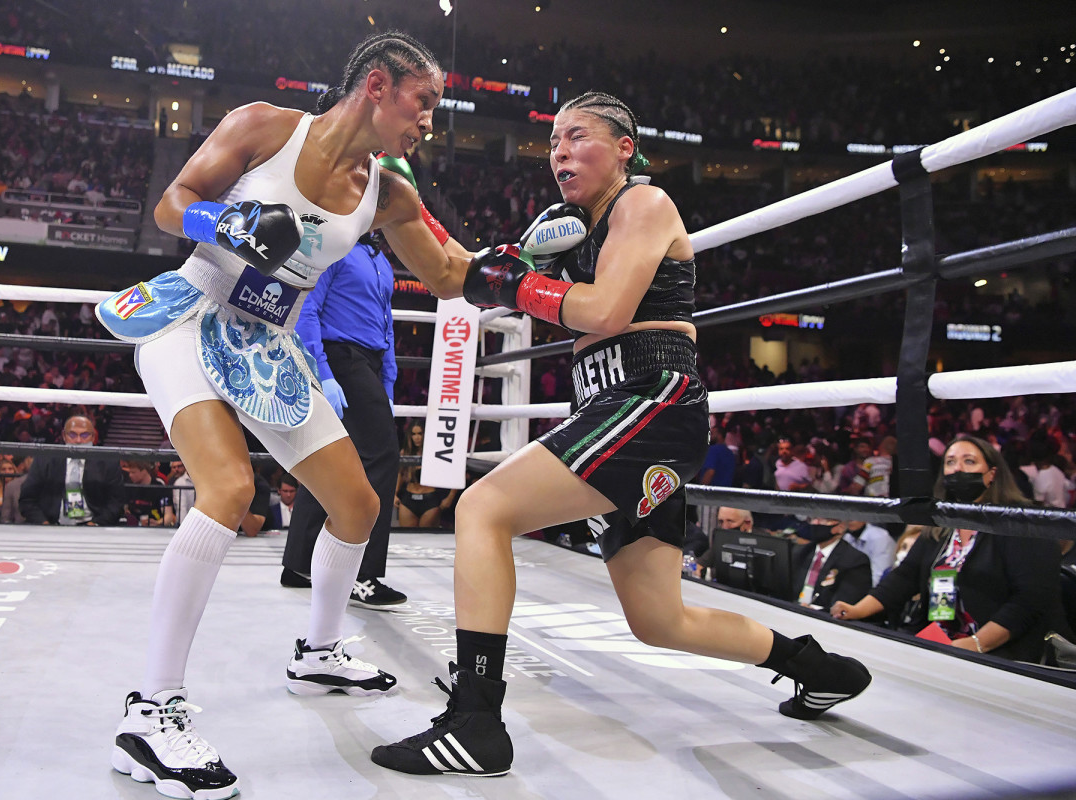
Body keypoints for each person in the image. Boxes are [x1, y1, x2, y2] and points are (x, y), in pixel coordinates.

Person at [372, 91, 871, 778]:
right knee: (659, 619)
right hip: (613, 409)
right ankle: (817, 666)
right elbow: (458, 271)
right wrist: (396, 192)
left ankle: (477, 719)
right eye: (552, 143)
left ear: (624, 148)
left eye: (577, 137)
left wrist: (519, 287)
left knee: (483, 508)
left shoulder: (645, 205)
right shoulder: (565, 229)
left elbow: (605, 310)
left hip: (651, 397)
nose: (560, 153)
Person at [95, 31, 468, 798]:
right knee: (227, 491)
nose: (431, 119)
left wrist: (534, 266)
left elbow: (447, 272)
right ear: (376, 85)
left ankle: (319, 652)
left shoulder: (389, 191)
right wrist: (225, 225)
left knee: (358, 504)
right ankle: (152, 710)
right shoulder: (265, 125)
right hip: (190, 317)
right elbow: (174, 204)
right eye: (423, 101)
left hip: (267, 342)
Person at [831, 435, 1069, 662]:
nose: (958, 469)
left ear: (991, 474)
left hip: (1005, 652)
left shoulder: (1020, 523)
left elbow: (1030, 600)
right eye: (950, 462)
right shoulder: (942, 523)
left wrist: (977, 643)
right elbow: (905, 576)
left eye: (969, 461)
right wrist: (857, 610)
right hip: (942, 643)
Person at [282, 233, 406, 609]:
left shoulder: (380, 260)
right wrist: (323, 371)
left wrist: (387, 382)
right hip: (340, 357)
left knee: (334, 458)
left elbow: (386, 325)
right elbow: (307, 308)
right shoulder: (334, 249)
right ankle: (362, 575)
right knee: (381, 456)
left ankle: (300, 564)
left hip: (367, 361)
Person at [19, 415, 126, 527]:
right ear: (64, 436)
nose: (78, 440)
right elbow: (27, 499)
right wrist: (44, 523)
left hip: (93, 526)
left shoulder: (107, 463)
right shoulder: (45, 460)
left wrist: (96, 524)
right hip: (53, 525)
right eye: (72, 435)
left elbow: (116, 502)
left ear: (93, 437)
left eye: (84, 435)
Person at [793, 518, 872, 610]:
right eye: (813, 518)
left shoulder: (855, 561)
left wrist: (813, 610)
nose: (815, 523)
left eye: (822, 520)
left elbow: (843, 606)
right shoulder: (800, 551)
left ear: (841, 527)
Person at [394, 420, 457, 527]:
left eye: (420, 433)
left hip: (430, 499)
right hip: (408, 499)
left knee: (427, 538)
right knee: (407, 538)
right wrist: (394, 494)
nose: (417, 437)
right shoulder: (406, 452)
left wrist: (450, 497)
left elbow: (454, 472)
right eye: (414, 434)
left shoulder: (437, 452)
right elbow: (399, 474)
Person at [122, 461, 177, 527]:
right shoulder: (129, 487)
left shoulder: (160, 489)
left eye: (133, 472)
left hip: (156, 530)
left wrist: (157, 523)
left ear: (144, 471)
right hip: (133, 529)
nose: (130, 475)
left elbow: (168, 516)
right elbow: (124, 509)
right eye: (129, 472)